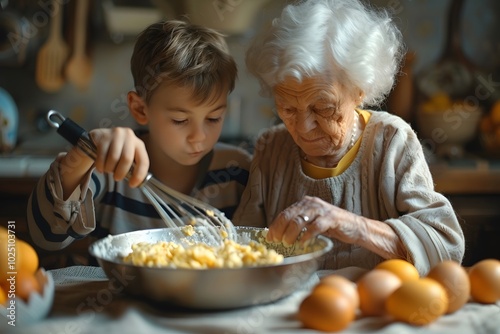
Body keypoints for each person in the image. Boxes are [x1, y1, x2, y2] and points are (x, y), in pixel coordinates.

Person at [233, 0, 465, 275]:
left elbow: (445, 249)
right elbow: (241, 249)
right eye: (288, 108)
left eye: (323, 108)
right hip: (292, 312)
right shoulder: (270, 148)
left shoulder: (392, 140)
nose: (305, 127)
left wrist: (354, 226)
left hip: (375, 313)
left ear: (359, 92)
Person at [28, 20, 251, 252]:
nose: (199, 137)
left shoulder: (237, 171)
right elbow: (46, 236)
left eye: (214, 118)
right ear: (140, 109)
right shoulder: (109, 169)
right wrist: (85, 154)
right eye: (180, 120)